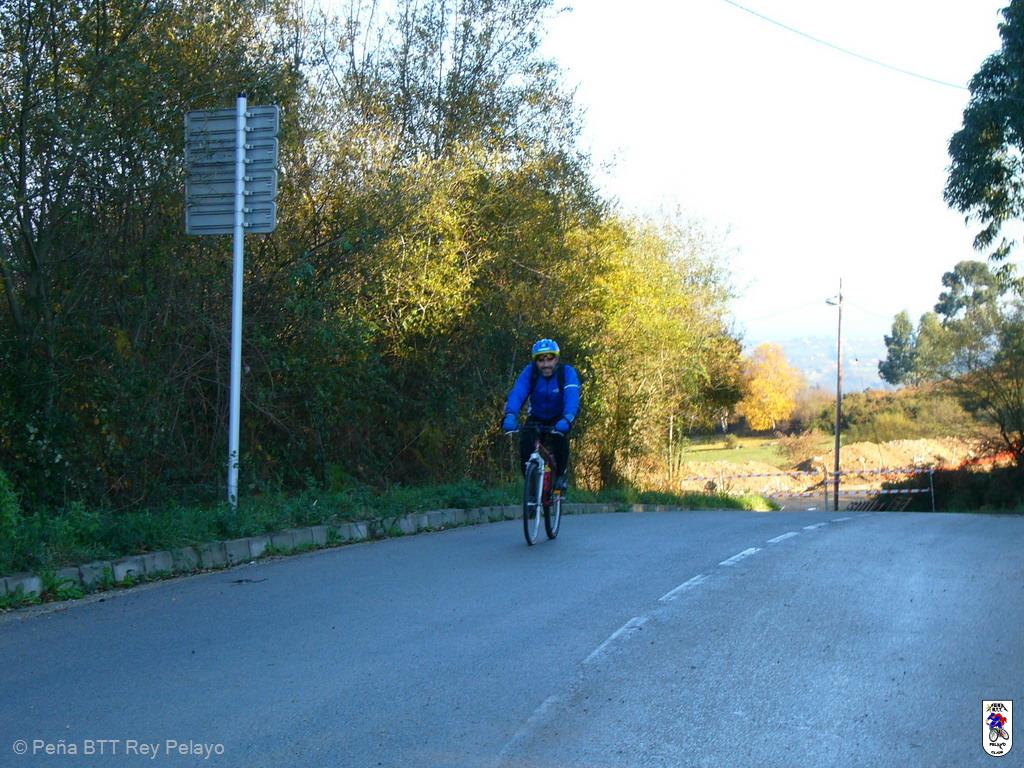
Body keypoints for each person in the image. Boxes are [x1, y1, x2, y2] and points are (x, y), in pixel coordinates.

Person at [502, 338, 581, 492]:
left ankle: (560, 476)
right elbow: (519, 392)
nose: (545, 365)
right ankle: (531, 487)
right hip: (536, 416)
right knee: (525, 445)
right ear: (535, 361)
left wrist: (567, 419)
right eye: (540, 360)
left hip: (560, 417)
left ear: (556, 359)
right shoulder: (530, 372)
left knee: (560, 441)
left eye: (549, 359)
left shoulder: (567, 372)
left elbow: (572, 396)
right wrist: (511, 415)